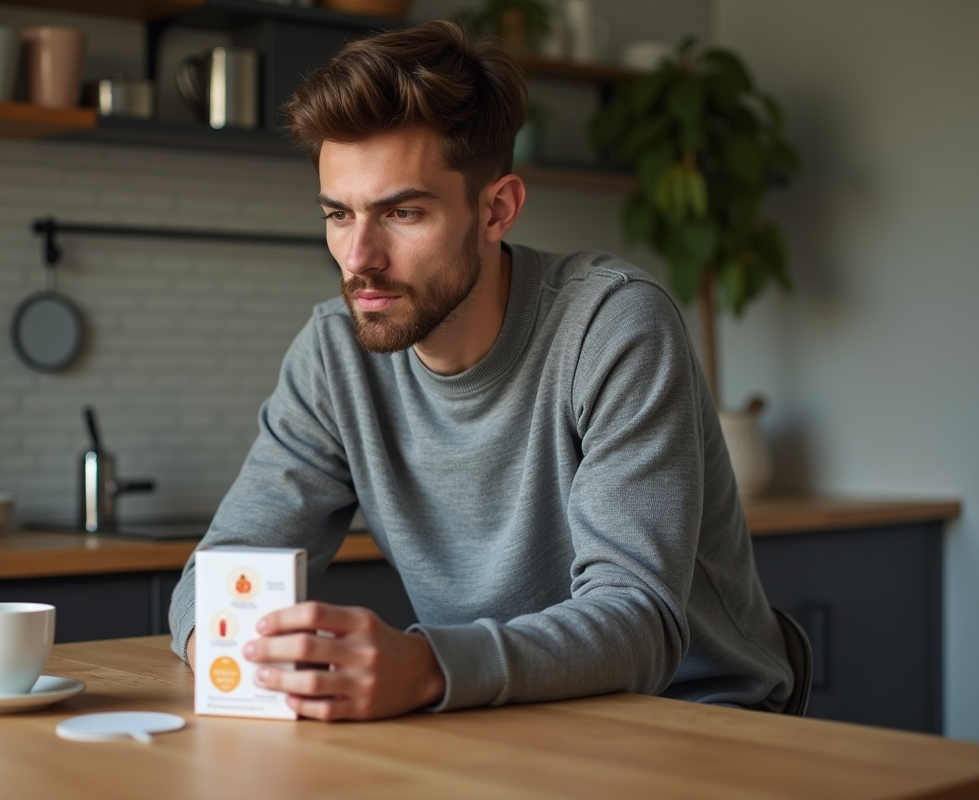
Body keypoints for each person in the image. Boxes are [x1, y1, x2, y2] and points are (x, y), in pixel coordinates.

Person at [169, 20, 793, 721]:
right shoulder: (334, 355)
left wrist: (429, 667)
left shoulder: (614, 326)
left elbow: (639, 621)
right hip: (503, 719)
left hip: (697, 720)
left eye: (402, 212)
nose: (358, 257)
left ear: (496, 210)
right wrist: (233, 649)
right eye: (338, 214)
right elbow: (218, 572)